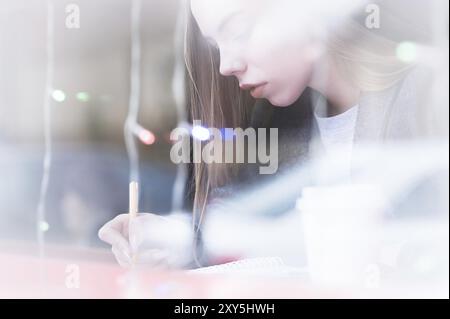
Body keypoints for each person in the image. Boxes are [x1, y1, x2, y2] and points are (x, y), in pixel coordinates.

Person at [99, 0, 438, 269]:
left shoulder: (430, 99)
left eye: (239, 30)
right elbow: (261, 239)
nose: (225, 66)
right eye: (217, 45)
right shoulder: (276, 131)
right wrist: (170, 241)